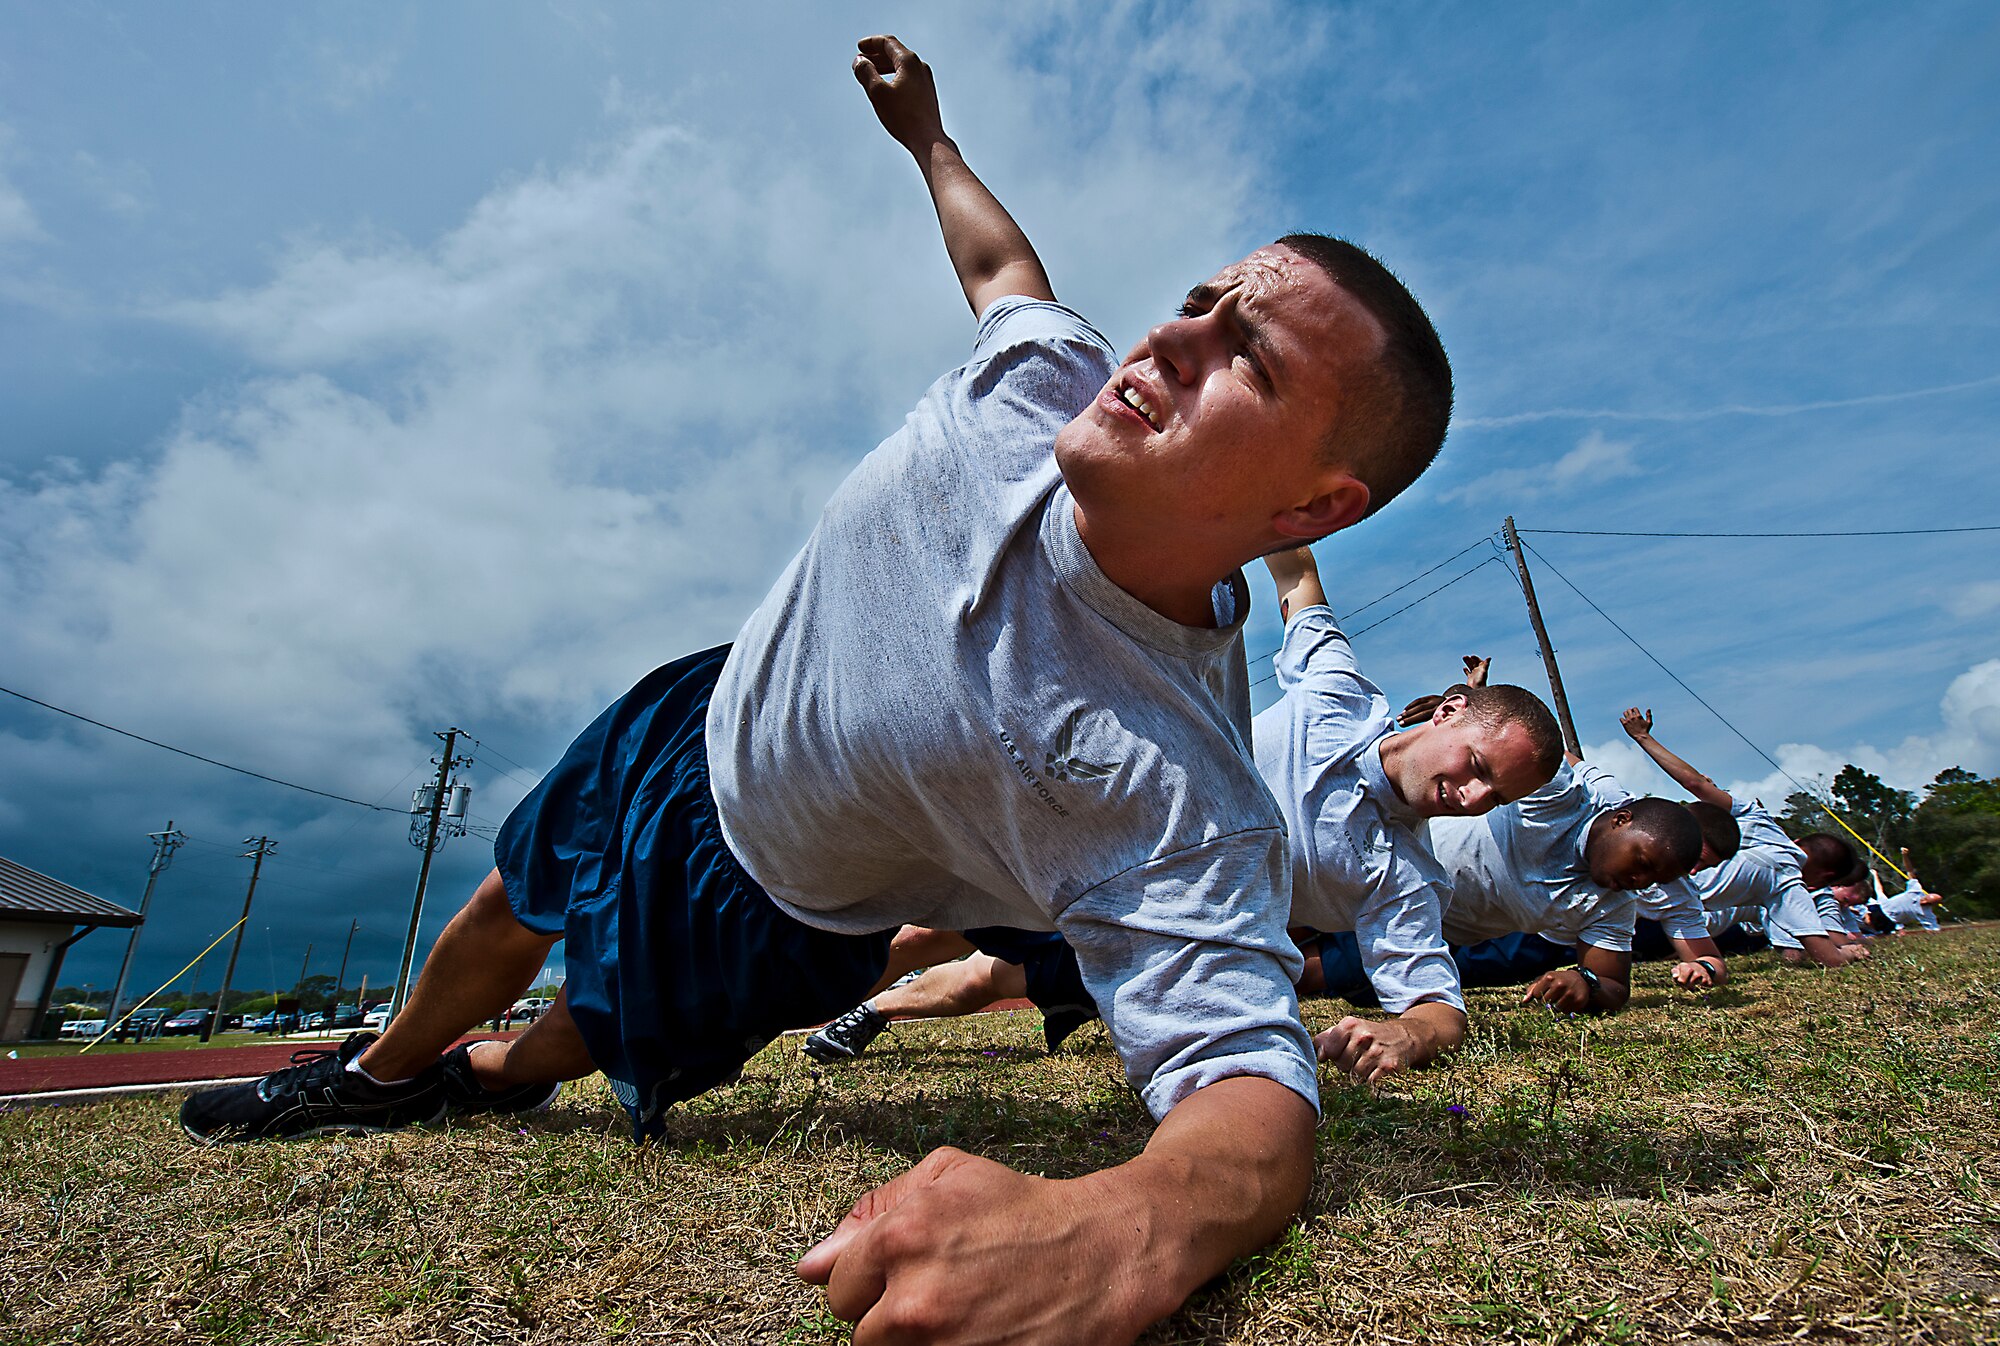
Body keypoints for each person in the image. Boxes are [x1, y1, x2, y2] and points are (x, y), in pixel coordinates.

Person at [179, 34, 1455, 1346]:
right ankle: (377, 1076)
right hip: (701, 718)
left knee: (559, 1040)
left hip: (774, 904)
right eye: (1197, 297)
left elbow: (1249, 1089)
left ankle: (486, 1075)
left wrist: (1133, 1221)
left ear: (1316, 504)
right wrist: (932, 141)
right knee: (514, 891)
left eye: (1246, 355)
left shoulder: (1171, 780)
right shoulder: (1046, 376)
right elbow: (1000, 268)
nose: (1178, 332)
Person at [807, 552, 1566, 1081]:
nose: (1471, 799)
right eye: (1477, 769)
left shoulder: (1399, 876)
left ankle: (861, 1014)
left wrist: (1407, 1031)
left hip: (1167, 928)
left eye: (1493, 798)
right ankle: (807, 1002)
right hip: (1103, 836)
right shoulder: (1337, 692)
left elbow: (1438, 1005)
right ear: (1453, 711)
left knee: (983, 980)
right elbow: (1297, 574)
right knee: (918, 932)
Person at [1425, 742, 1704, 1014]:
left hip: (1423, 936)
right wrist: (1462, 710)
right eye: (1643, 862)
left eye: (1654, 880)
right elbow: (1511, 735)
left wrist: (1586, 982)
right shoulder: (1557, 796)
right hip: (1395, 869)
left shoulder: (1612, 906)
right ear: (1621, 819)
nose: (1640, 881)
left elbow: (1614, 985)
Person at [1870, 849, 1946, 930]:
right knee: (1879, 893)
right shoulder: (1915, 891)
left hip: (1889, 921)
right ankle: (1875, 875)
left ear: (1931, 905)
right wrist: (1905, 856)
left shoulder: (1926, 913)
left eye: (1928, 903)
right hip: (1880, 907)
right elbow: (1910, 871)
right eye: (1925, 898)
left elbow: (1934, 928)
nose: (1923, 901)